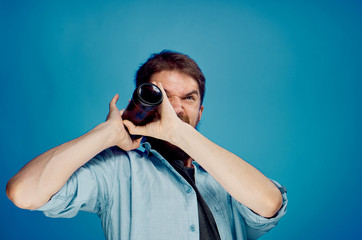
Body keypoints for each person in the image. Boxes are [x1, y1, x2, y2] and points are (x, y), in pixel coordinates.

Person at [6, 50, 287, 240]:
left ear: (201, 111)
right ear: (144, 101)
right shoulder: (117, 170)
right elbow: (23, 193)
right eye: (163, 96)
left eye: (188, 98)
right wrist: (107, 133)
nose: (175, 108)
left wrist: (179, 133)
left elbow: (270, 203)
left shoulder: (226, 176)